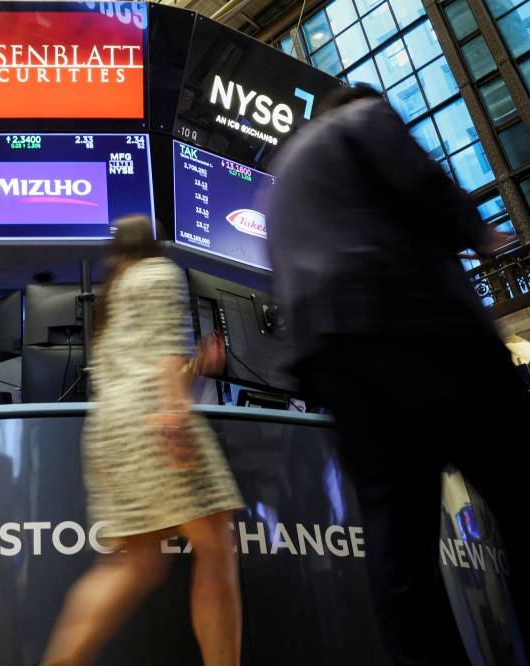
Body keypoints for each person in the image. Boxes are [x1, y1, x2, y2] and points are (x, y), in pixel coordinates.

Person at [265, 84, 529, 664]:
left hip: (336, 361)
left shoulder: (283, 177)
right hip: (419, 325)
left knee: (398, 541)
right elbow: (420, 182)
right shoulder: (362, 118)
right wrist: (476, 230)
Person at [41, 215, 245, 666]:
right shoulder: (160, 274)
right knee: (216, 546)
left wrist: (196, 367)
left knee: (136, 564)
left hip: (111, 432)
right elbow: (161, 358)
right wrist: (175, 413)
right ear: (154, 244)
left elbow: (136, 365)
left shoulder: (113, 298)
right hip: (156, 418)